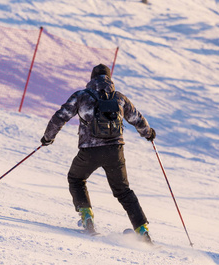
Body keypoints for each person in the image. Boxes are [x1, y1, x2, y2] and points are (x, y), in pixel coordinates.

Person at [40, 64, 156, 242]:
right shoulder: (119, 98)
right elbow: (137, 119)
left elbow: (60, 116)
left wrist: (48, 138)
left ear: (92, 78)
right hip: (115, 151)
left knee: (76, 179)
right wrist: (148, 133)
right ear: (109, 79)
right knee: (123, 191)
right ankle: (142, 230)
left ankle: (87, 217)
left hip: (89, 150)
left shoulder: (81, 96)